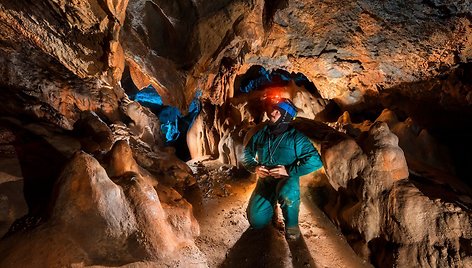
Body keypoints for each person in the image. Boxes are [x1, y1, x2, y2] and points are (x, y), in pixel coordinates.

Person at [242, 97, 323, 240]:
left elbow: (316, 160)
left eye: (277, 111)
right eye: (273, 109)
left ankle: (292, 225)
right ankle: (271, 207)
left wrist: (289, 170)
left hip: (286, 180)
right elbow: (246, 154)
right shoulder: (262, 133)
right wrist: (255, 167)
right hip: (265, 181)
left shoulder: (296, 138)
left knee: (287, 194)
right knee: (256, 221)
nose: (272, 113)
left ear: (285, 116)